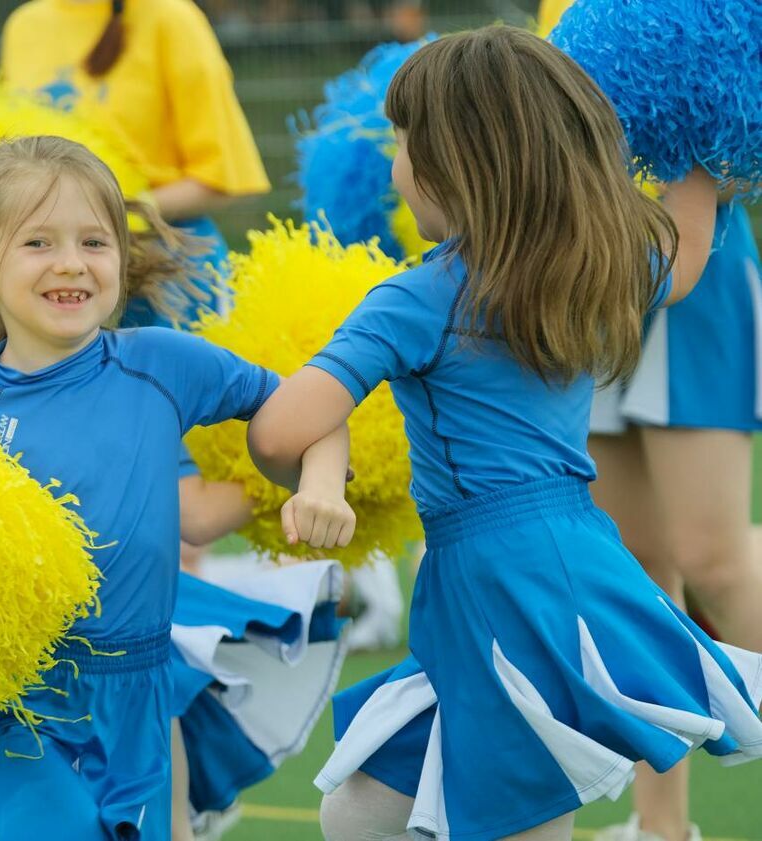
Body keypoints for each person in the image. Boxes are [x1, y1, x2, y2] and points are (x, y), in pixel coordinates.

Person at [247, 26, 760, 840]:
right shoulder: (593, 264)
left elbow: (280, 427)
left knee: (505, 810)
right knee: (365, 812)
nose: (392, 168)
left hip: (498, 574)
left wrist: (314, 473)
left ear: (451, 163)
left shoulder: (413, 299)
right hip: (565, 555)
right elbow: (689, 250)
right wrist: (707, 114)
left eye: (401, 145)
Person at [0, 134, 350, 841]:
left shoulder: (163, 363)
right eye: (38, 243)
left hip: (138, 690)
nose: (71, 263)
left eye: (94, 242)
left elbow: (314, 409)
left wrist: (321, 483)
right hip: (9, 705)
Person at [590, 203, 762, 841]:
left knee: (713, 561)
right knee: (636, 570)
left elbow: (716, 145)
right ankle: (661, 827)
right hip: (594, 275)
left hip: (696, 266)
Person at [0, 0, 270, 326]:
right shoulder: (24, 24)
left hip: (164, 269)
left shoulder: (171, 18)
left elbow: (223, 181)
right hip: (50, 272)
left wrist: (110, 211)